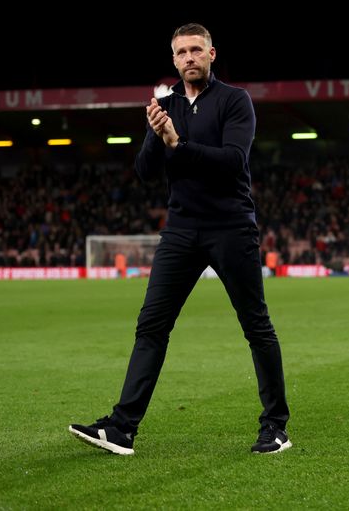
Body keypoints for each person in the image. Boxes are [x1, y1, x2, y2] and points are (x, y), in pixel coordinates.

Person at [68, 23, 291, 456]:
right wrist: (155, 132)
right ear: (173, 60)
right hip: (181, 230)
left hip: (231, 227)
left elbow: (232, 162)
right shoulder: (165, 104)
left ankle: (276, 427)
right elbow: (145, 172)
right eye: (181, 52)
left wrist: (177, 142)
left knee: (256, 327)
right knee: (151, 325)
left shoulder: (234, 100)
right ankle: (122, 428)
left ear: (212, 54)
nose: (188, 57)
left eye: (196, 50)